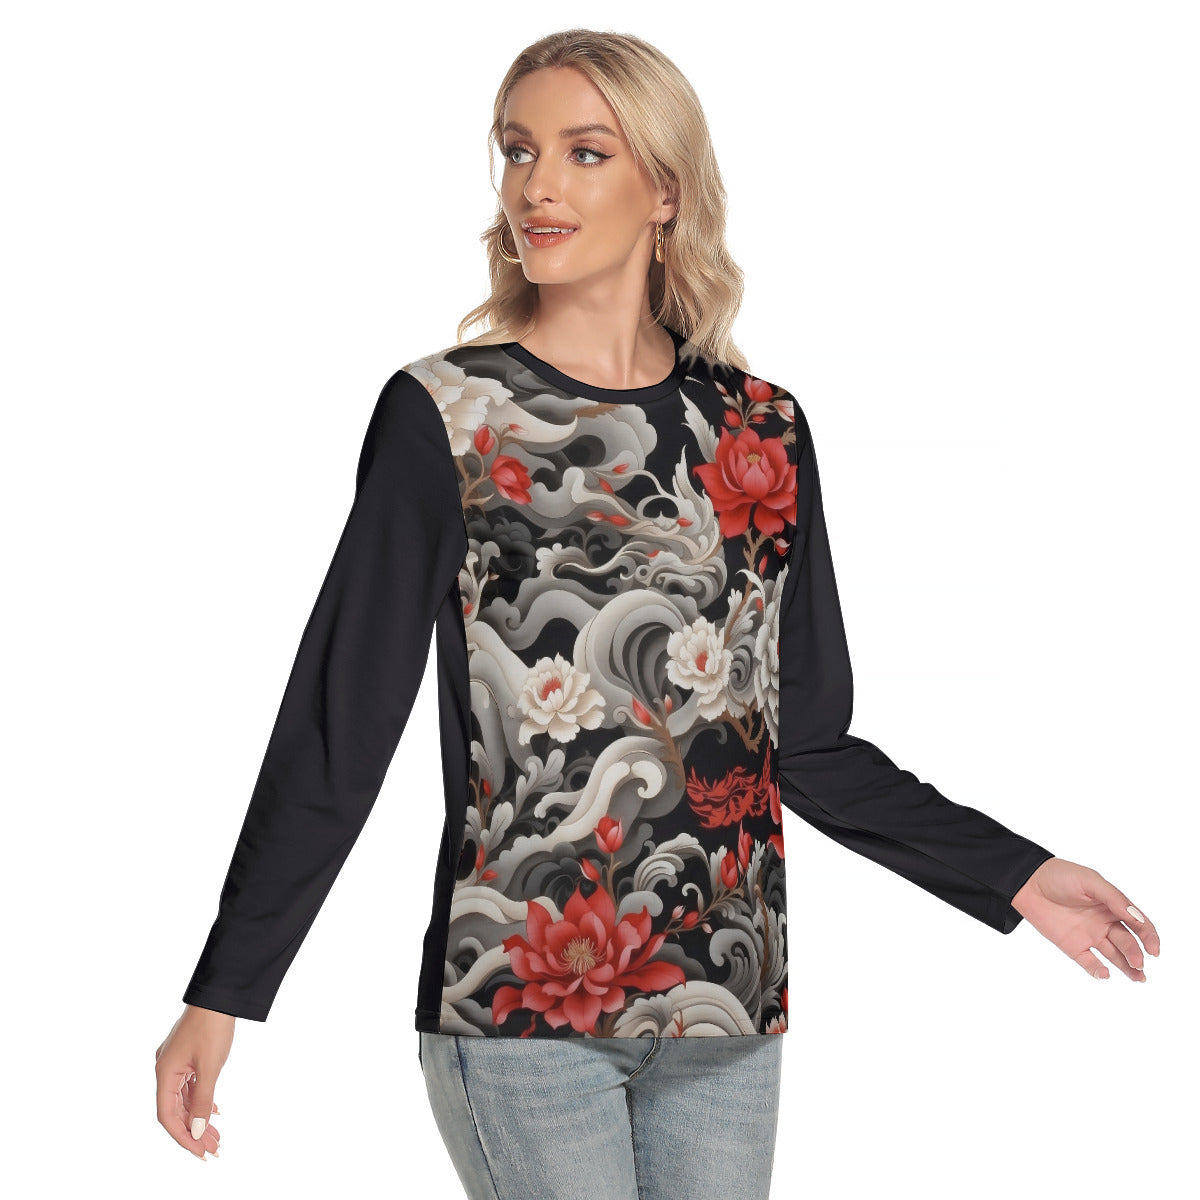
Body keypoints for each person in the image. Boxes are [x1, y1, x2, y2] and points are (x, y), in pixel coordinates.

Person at [155, 29, 1160, 1198]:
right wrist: (225, 991)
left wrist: (1014, 873)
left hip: (727, 1006)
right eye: (519, 150)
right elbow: (342, 726)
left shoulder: (761, 432)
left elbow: (806, 744)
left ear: (666, 191)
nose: (537, 184)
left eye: (585, 153)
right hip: (521, 1009)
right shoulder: (450, 418)